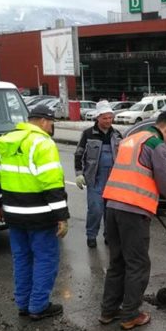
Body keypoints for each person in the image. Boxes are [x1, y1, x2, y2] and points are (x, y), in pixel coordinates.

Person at [0, 103, 70, 320]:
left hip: (13, 214)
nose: (52, 126)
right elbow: (51, 183)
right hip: (40, 216)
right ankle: (38, 306)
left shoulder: (6, 141)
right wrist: (62, 217)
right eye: (51, 122)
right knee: (45, 259)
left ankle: (23, 303)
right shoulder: (42, 143)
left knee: (21, 258)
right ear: (43, 121)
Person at [99, 111, 166, 331]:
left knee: (117, 262)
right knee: (138, 264)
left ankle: (108, 311)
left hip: (112, 206)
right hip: (133, 209)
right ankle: (130, 315)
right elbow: (165, 178)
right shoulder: (155, 143)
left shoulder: (130, 139)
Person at [74, 100, 123, 248]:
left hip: (113, 178)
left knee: (111, 211)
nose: (108, 121)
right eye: (105, 118)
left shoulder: (117, 135)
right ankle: (91, 235)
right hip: (95, 179)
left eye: (110, 118)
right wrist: (79, 173)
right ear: (98, 118)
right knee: (95, 209)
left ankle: (109, 236)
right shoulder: (88, 134)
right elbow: (78, 154)